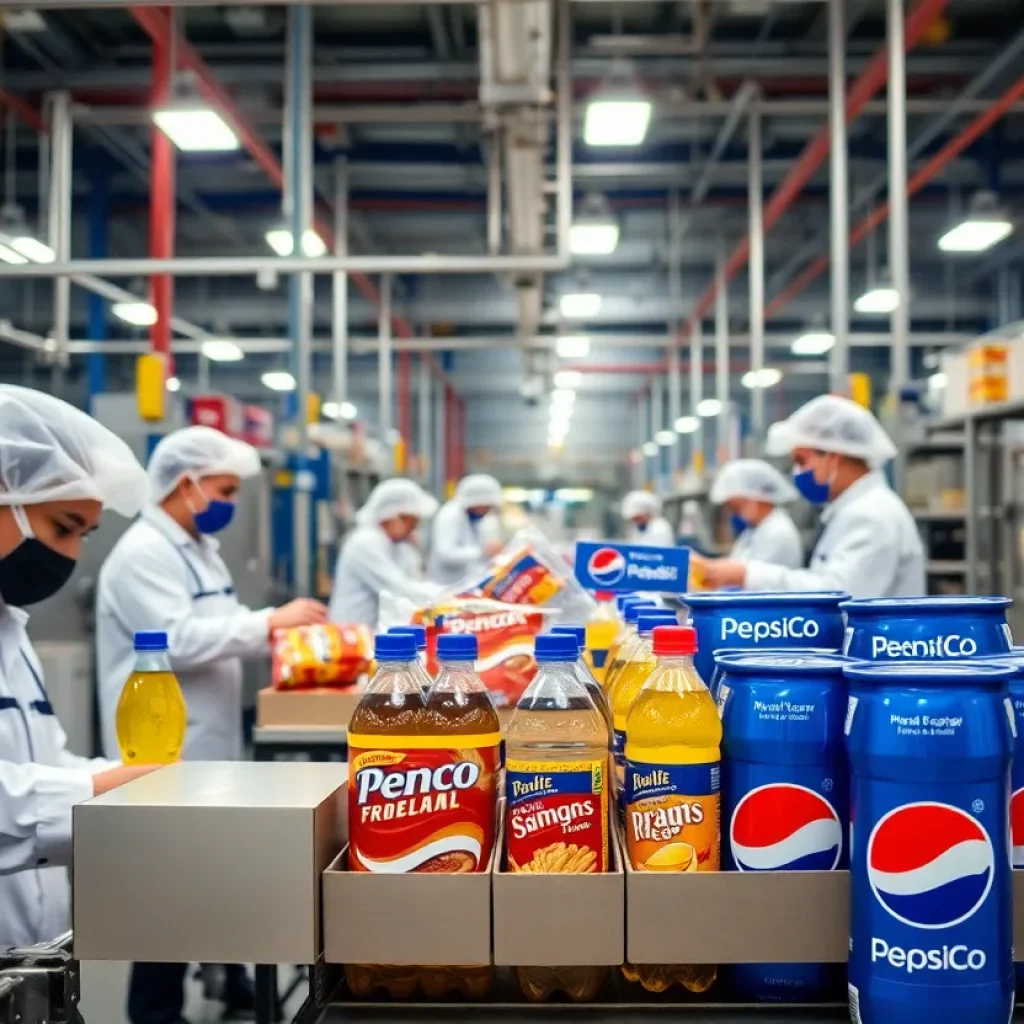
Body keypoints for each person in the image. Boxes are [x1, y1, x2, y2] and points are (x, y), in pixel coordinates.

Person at [95, 425, 328, 1024]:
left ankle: (230, 981)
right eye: (222, 489)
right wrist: (271, 621)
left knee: (210, 872)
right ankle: (154, 1010)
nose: (227, 502)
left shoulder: (198, 549)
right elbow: (178, 640)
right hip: (161, 739)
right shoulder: (144, 553)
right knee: (165, 883)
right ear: (185, 484)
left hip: (210, 734)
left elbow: (221, 627)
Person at [0, 385, 159, 950]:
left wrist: (132, 785)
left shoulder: (10, 629)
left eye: (83, 536)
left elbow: (43, 761)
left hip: (32, 952)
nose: (70, 555)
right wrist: (101, 787)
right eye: (62, 528)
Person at [695, 395, 925, 598]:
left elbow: (839, 594)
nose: (797, 472)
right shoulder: (852, 511)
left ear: (833, 456)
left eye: (801, 461)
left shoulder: (872, 514)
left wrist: (747, 575)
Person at [330, 477, 441, 625]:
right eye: (412, 522)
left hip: (373, 633)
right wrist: (450, 597)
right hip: (353, 633)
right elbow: (400, 590)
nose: (413, 529)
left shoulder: (394, 545)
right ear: (393, 517)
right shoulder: (365, 543)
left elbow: (414, 581)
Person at [710, 458, 804, 569]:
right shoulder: (753, 532)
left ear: (756, 497)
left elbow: (752, 578)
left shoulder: (778, 533)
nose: (734, 514)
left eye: (736, 507)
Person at [428, 473, 504, 585]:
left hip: (466, 584)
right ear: (477, 501)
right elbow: (446, 554)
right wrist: (484, 551)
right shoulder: (450, 515)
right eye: (486, 505)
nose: (488, 509)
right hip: (446, 584)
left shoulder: (475, 520)